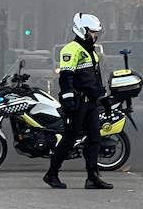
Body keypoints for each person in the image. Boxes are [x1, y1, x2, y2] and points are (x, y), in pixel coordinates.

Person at [43, 12, 112, 191]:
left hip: (90, 103)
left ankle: (92, 177)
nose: (95, 35)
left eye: (97, 32)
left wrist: (102, 97)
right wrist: (68, 101)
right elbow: (65, 78)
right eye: (93, 31)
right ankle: (52, 174)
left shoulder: (90, 51)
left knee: (94, 139)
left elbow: (94, 79)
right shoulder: (70, 50)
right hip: (78, 103)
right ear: (82, 30)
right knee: (69, 139)